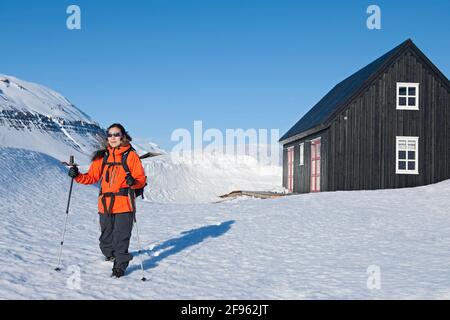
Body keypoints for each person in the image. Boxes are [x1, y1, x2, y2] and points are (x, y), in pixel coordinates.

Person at [68, 123, 147, 278]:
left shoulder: (131, 155)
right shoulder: (102, 157)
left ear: (123, 136)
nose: (113, 138)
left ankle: (120, 265)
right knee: (105, 238)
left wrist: (133, 182)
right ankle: (110, 254)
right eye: (110, 135)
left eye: (116, 134)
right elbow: (91, 177)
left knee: (121, 237)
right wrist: (76, 175)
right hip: (105, 204)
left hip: (125, 202)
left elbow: (141, 179)